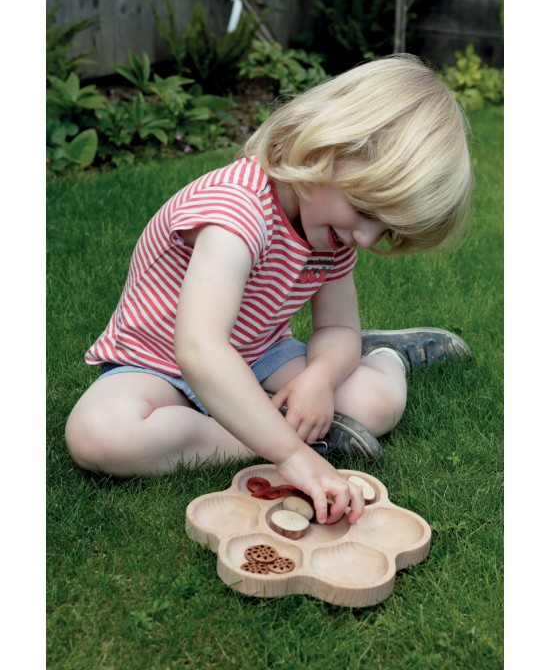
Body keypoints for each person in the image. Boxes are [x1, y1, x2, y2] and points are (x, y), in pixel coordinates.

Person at [65, 54, 473, 526]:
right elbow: (199, 349)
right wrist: (293, 455)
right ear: (328, 148)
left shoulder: (330, 230)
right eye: (365, 210)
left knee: (375, 402)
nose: (365, 238)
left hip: (259, 355)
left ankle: (385, 356)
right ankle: (266, 434)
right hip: (157, 364)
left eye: (385, 231)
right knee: (100, 435)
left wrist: (320, 377)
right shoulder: (236, 210)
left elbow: (338, 326)